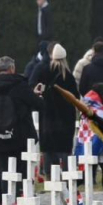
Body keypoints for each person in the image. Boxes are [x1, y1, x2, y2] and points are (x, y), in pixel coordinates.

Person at [0, 57, 42, 205]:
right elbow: (38, 105)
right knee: (20, 172)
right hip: (20, 137)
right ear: (12, 69)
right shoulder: (20, 86)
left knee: (3, 171)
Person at [31, 43, 77, 174]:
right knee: (64, 151)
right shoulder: (68, 76)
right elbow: (75, 97)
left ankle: (50, 178)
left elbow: (34, 88)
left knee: (49, 151)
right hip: (65, 118)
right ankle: (67, 177)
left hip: (47, 117)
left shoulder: (43, 71)